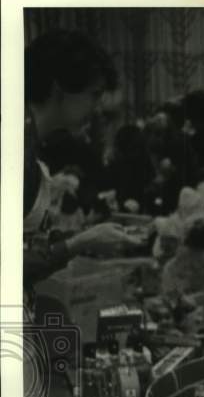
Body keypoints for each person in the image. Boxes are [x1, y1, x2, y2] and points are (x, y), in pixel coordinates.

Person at [24, 30, 142, 280]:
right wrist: (79, 242)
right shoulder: (15, 149)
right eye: (94, 95)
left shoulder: (31, 140)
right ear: (60, 89)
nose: (98, 109)